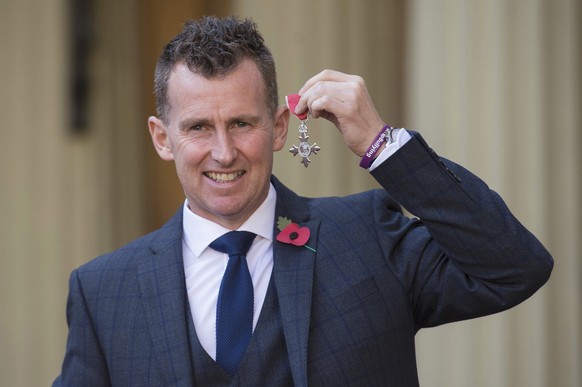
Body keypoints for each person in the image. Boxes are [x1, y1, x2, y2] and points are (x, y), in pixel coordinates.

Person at [54, 16, 553, 386]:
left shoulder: (368, 237)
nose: (223, 151)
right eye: (199, 127)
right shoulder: (103, 292)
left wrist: (382, 145)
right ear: (163, 138)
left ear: (277, 128)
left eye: (242, 123)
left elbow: (512, 268)